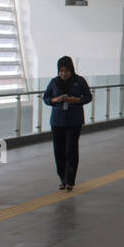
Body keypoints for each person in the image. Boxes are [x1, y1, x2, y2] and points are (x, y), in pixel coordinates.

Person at [42, 55, 93, 191]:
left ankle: (70, 179)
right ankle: (62, 179)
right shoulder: (54, 82)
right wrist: (55, 100)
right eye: (61, 71)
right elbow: (46, 98)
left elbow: (88, 97)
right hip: (57, 121)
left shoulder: (79, 81)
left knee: (71, 149)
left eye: (66, 71)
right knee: (58, 150)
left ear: (71, 70)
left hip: (74, 120)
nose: (64, 74)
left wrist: (76, 100)